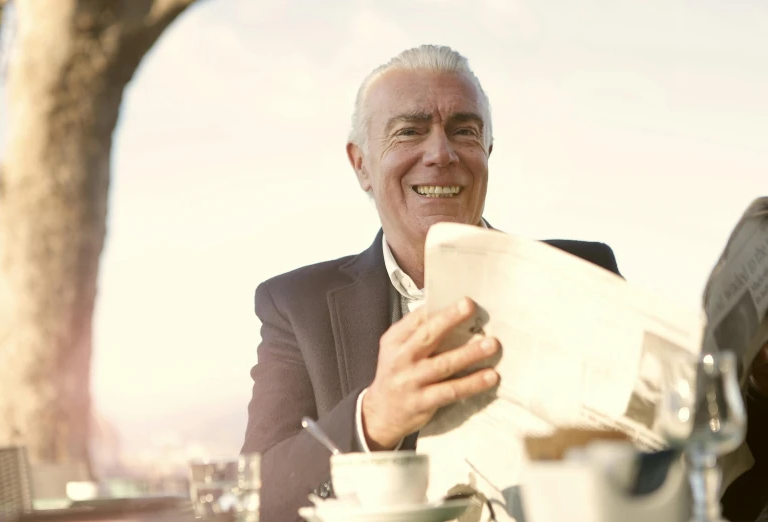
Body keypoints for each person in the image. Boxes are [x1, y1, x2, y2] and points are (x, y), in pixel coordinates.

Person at [241, 45, 768, 521]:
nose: (441, 153)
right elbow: (254, 498)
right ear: (361, 165)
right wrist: (373, 416)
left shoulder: (583, 270)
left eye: (465, 131)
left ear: (487, 153)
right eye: (409, 131)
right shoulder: (294, 304)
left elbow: (705, 477)